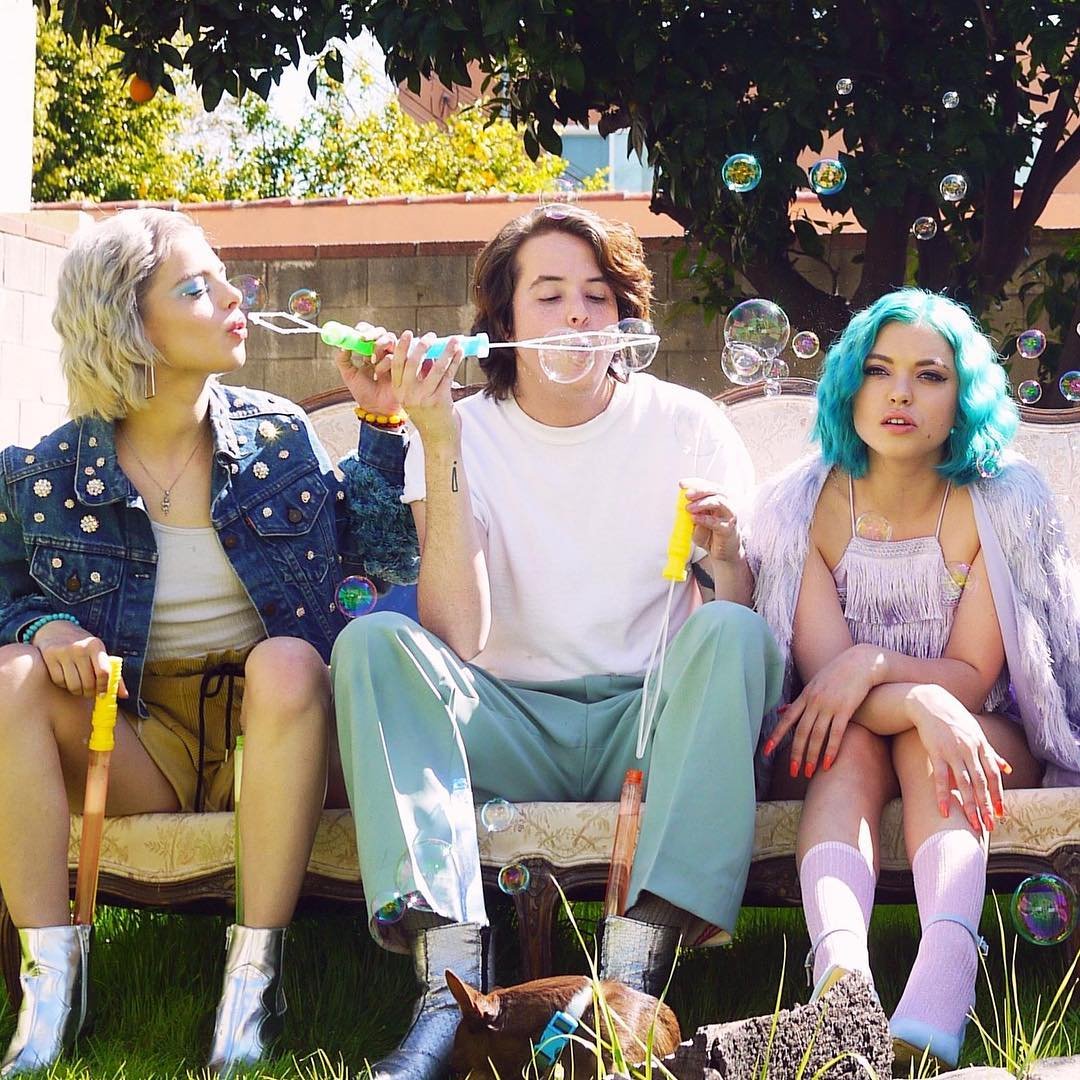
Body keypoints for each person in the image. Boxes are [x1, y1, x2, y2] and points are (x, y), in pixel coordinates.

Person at [331, 204, 785, 1080]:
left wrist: (728, 558)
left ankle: (633, 972)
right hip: (505, 724)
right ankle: (447, 986)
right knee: (373, 642)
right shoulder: (458, 428)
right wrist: (438, 434)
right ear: (502, 320)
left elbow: (733, 625)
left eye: (597, 295)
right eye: (548, 295)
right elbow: (458, 632)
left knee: (734, 630)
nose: (577, 313)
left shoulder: (689, 423)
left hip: (647, 725)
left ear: (623, 315)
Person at [0, 209, 414, 1077]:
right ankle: (48, 994)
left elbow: (378, 558)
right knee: (11, 677)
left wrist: (381, 424)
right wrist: (43, 626)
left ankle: (252, 986)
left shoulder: (277, 437)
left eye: (227, 279)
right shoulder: (43, 475)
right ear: (128, 323)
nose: (234, 298)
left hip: (276, 729)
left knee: (288, 659)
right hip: (136, 733)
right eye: (197, 287)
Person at [747, 289, 1080, 1070]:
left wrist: (890, 671)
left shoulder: (1002, 499)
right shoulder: (798, 507)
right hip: (843, 728)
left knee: (932, 746)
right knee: (849, 747)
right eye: (878, 370)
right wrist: (916, 697)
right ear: (848, 385)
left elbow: (969, 675)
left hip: (981, 724)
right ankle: (840, 979)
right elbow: (830, 691)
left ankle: (947, 969)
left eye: (929, 375)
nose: (900, 392)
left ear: (964, 398)